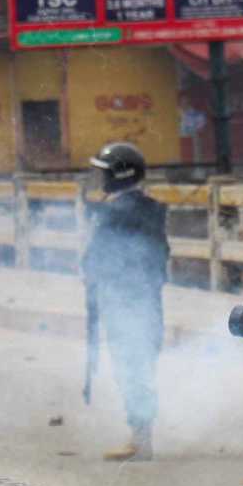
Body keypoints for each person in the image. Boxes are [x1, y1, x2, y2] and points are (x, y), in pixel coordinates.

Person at [82, 142, 170, 462]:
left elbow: (102, 259)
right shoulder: (146, 208)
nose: (99, 179)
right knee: (136, 367)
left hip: (128, 303)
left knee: (132, 369)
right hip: (143, 302)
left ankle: (141, 439)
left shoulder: (118, 213)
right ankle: (140, 434)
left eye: (103, 173)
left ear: (119, 175)